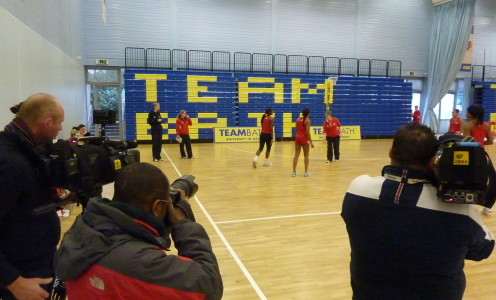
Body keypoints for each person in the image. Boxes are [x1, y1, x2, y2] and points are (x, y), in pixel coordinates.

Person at [341, 123, 494, 300]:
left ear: (390, 152)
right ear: (432, 160)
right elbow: (483, 249)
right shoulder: (460, 212)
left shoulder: (358, 190)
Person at [54, 162, 223, 300]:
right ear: (157, 207)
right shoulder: (143, 262)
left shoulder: (82, 228)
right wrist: (183, 224)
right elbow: (209, 286)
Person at [0, 93, 65, 300]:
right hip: (21, 278)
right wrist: (13, 281)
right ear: (47, 123)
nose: (61, 129)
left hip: (36, 264)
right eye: (59, 123)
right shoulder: (9, 162)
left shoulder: (25, 152)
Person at [463, 104, 494, 215]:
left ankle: (467, 203)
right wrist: (481, 143)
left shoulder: (468, 126)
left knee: (468, 178)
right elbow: (490, 141)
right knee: (486, 180)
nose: (466, 113)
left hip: (471, 155)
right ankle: (487, 206)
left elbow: (467, 142)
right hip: (482, 154)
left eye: (467, 112)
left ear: (471, 114)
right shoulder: (486, 125)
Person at [292, 108, 314, 177]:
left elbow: (296, 129)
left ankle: (294, 172)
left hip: (297, 137)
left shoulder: (298, 119)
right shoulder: (308, 121)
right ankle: (306, 172)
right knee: (306, 155)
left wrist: (298, 136)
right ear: (308, 113)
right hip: (304, 138)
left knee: (296, 155)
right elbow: (307, 132)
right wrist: (311, 142)